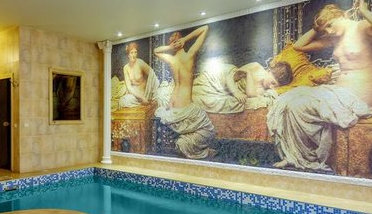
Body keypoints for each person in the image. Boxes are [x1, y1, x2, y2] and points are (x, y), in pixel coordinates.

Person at [267, 0, 372, 171]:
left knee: (298, 104)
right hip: (338, 92)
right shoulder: (334, 38)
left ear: (342, 15)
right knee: (285, 100)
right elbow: (299, 46)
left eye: (330, 25)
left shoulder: (362, 27)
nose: (328, 31)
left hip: (358, 96)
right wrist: (318, 27)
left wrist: (365, 12)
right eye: (325, 30)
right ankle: (292, 156)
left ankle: (304, 158)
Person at [153, 25, 215, 159]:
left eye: (176, 39)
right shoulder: (185, 56)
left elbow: (156, 51)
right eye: (173, 40)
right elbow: (205, 28)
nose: (175, 41)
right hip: (182, 108)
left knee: (206, 130)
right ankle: (195, 149)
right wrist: (180, 42)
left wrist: (180, 42)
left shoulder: (177, 58)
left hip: (178, 107)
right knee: (208, 129)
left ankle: (190, 146)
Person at [192, 61, 294, 114]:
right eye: (273, 82)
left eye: (275, 86)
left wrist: (249, 75)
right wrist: (236, 92)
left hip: (229, 88)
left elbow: (250, 94)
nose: (271, 87)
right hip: (226, 77)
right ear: (270, 71)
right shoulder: (256, 66)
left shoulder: (263, 90)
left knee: (199, 96)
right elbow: (230, 77)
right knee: (200, 86)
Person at [118, 42, 159, 108]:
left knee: (158, 98)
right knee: (122, 101)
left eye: (135, 52)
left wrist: (152, 92)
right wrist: (141, 98)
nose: (134, 55)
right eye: (131, 52)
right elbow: (129, 87)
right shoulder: (126, 67)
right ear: (128, 55)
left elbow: (152, 75)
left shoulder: (140, 62)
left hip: (145, 95)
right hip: (135, 96)